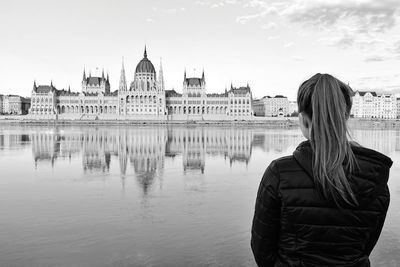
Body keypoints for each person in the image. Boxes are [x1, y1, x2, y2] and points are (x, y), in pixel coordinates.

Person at [251, 73, 392, 266]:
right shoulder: (375, 177)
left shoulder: (279, 174)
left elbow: (263, 252)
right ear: (346, 116)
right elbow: (365, 247)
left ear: (302, 120)